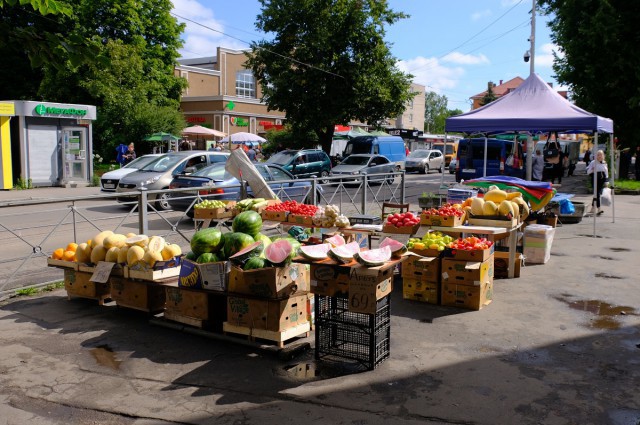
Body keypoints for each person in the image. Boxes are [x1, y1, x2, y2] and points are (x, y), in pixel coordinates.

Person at [586, 149, 609, 215]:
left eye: (601, 155)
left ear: (603, 156)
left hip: (602, 180)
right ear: (596, 156)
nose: (599, 156)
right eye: (598, 155)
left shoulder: (604, 163)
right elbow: (588, 171)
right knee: (597, 194)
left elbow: (606, 173)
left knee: (597, 194)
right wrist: (592, 170)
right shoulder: (593, 162)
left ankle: (593, 208)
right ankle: (599, 209)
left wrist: (606, 182)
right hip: (595, 179)